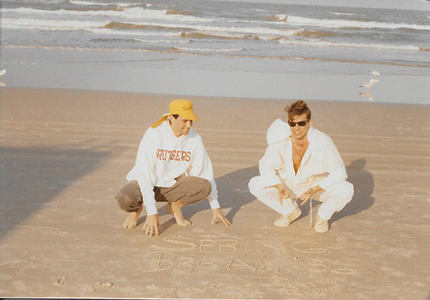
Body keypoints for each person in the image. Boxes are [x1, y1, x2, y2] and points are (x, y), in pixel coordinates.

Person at [116, 99, 231, 236]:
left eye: (191, 121)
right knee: (125, 197)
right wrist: (152, 211)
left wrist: (215, 207)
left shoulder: (195, 139)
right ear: (171, 118)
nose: (189, 125)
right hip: (145, 182)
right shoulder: (154, 134)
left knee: (205, 186)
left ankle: (174, 207)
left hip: (172, 186)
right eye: (184, 121)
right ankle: (136, 210)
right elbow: (145, 173)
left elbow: (205, 173)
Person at [248, 100, 353, 233]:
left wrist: (315, 189)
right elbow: (265, 165)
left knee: (346, 189)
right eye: (292, 123)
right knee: (255, 184)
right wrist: (278, 186)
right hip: (289, 184)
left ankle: (322, 217)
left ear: (309, 123)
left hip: (314, 185)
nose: (296, 128)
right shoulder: (281, 140)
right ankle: (290, 211)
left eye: (301, 123)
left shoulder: (323, 142)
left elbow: (339, 173)